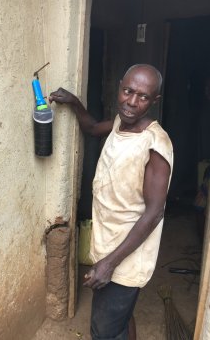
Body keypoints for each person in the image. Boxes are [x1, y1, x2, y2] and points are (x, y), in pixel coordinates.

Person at [49, 64, 173, 340]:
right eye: (128, 91)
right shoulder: (120, 122)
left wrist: (108, 264)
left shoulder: (155, 144)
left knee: (104, 330)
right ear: (119, 87)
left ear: (155, 101)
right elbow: (92, 127)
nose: (131, 101)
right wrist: (74, 102)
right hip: (109, 243)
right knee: (121, 318)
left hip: (126, 257)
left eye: (142, 97)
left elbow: (154, 213)